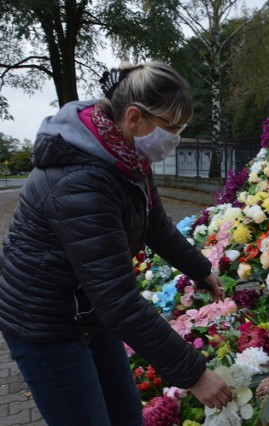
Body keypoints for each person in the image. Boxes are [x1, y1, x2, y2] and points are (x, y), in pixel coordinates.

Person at [0, 61, 232, 425]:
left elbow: (156, 225)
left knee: (126, 415)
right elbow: (117, 298)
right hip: (45, 323)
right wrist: (195, 374)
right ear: (135, 117)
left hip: (88, 308)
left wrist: (201, 269)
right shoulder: (80, 180)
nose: (176, 137)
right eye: (171, 127)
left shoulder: (127, 155)